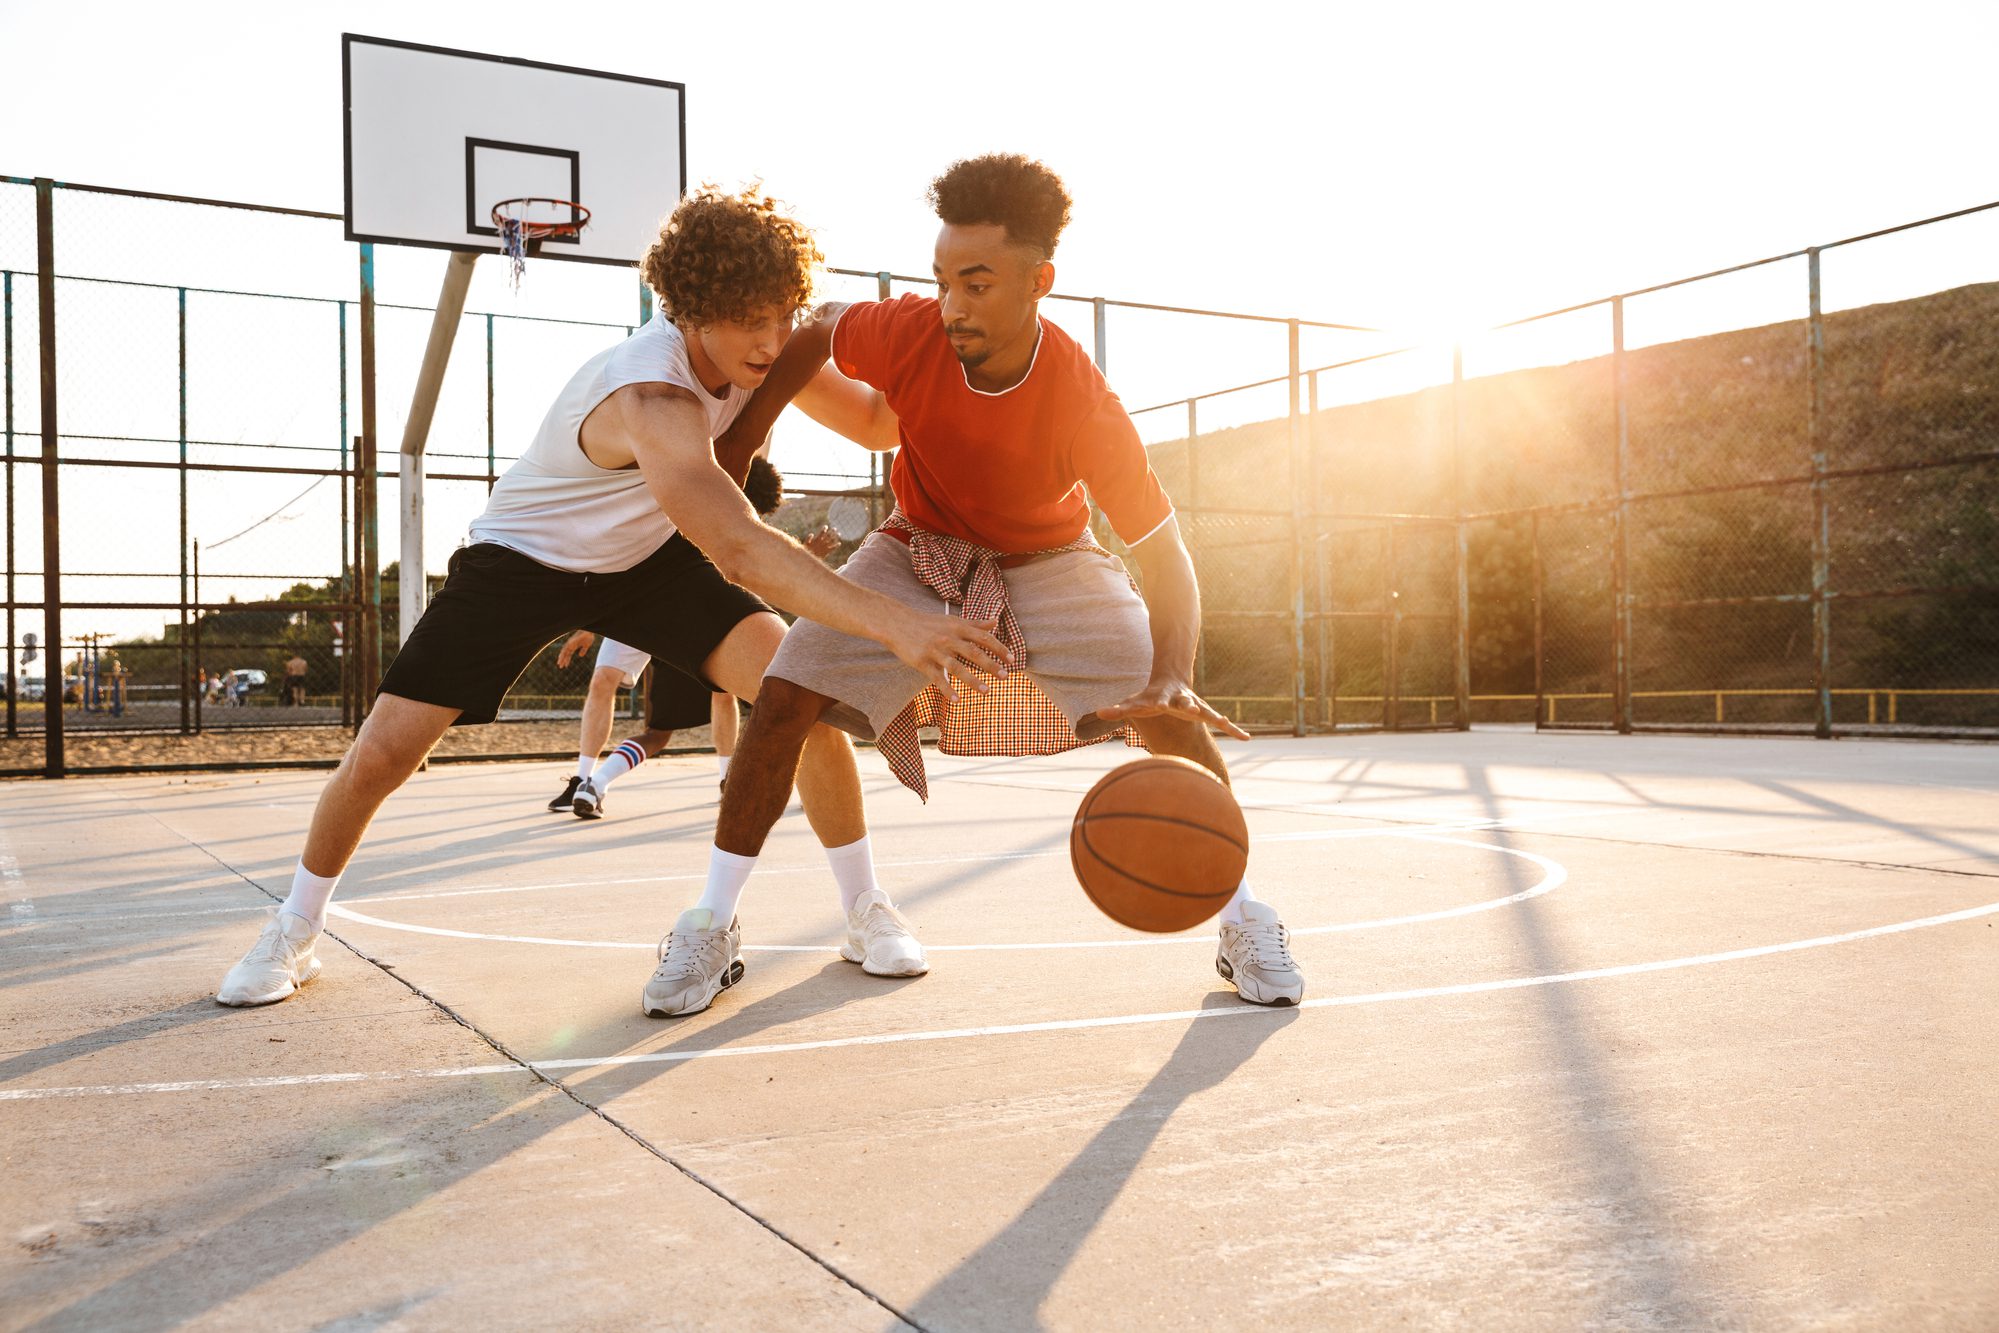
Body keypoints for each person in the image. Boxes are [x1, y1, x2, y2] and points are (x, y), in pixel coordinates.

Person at [216, 184, 1008, 1009]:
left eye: (783, 314)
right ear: (692, 307)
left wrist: (935, 336)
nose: (772, 340)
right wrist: (897, 621)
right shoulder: (650, 394)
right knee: (386, 752)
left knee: (798, 693)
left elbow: (881, 423)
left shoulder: (769, 349)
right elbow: (736, 544)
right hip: (523, 560)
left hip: (651, 562)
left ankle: (863, 910)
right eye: (749, 319)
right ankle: (295, 928)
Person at [641, 154, 1304, 1016]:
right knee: (783, 697)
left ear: (1039, 282)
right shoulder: (913, 331)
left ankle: (1245, 916)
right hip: (916, 545)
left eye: (978, 284)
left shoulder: (1080, 401)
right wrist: (745, 440)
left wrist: (1171, 670)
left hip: (1053, 565)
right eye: (943, 280)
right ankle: (711, 925)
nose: (952, 304)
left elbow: (1165, 551)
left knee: (1165, 706)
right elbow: (820, 327)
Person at [545, 456, 839, 817]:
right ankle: (586, 779)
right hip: (659, 609)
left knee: (683, 718)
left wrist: (804, 556)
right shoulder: (682, 505)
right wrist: (592, 625)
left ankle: (719, 780)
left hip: (686, 618)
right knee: (618, 690)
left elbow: (759, 573)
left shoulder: (720, 515)